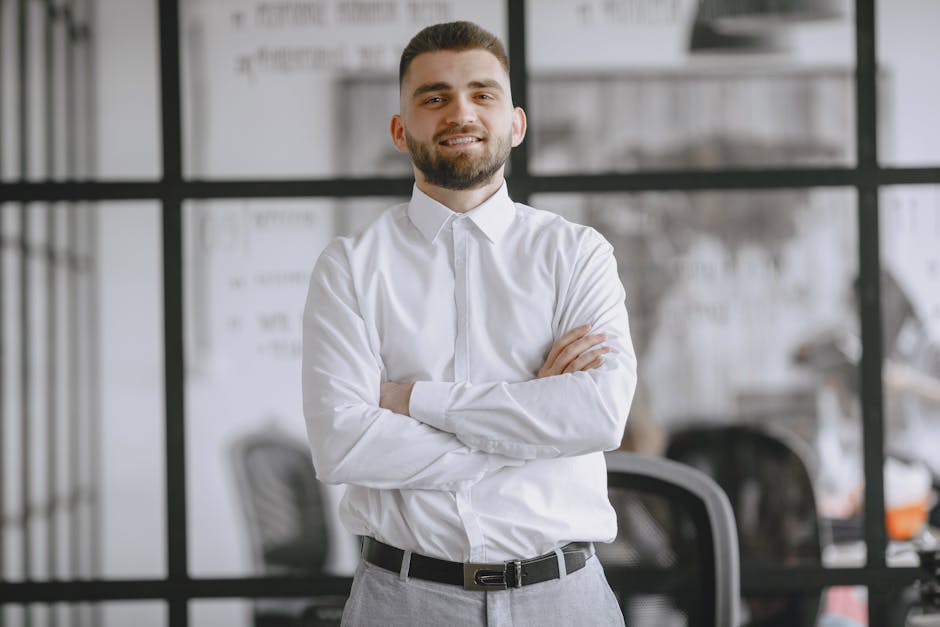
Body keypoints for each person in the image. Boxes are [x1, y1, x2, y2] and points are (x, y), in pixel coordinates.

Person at [302, 21, 637, 626]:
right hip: (401, 602)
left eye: (483, 94)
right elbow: (342, 444)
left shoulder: (578, 255)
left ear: (516, 123)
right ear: (400, 130)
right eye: (435, 97)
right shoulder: (350, 266)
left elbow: (599, 416)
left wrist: (416, 401)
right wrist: (533, 430)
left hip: (566, 601)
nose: (461, 112)